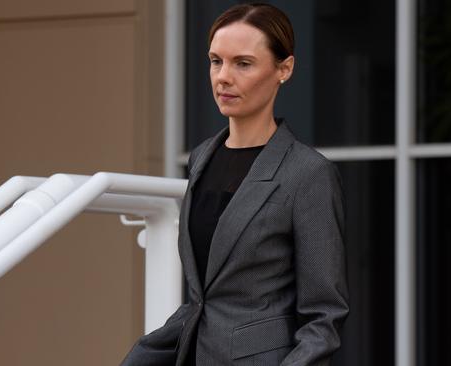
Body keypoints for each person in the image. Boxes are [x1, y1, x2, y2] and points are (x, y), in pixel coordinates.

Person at [121, 3, 349, 365]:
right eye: (216, 61)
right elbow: (206, 294)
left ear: (284, 69)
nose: (223, 77)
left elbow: (324, 318)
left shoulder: (307, 173)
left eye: (243, 63)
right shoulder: (201, 158)